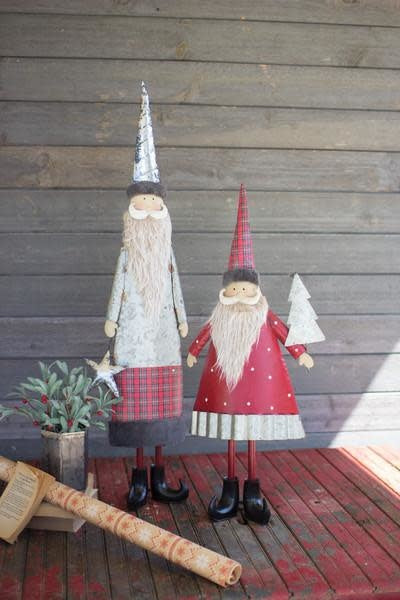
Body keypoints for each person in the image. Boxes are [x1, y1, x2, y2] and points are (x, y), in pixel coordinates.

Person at [187, 184, 314, 524]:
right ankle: (230, 489)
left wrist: (300, 353)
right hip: (227, 384)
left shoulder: (264, 313)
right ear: (226, 289)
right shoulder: (221, 315)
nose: (241, 293)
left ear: (255, 289)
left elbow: (283, 331)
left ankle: (253, 489)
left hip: (260, 384)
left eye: (246, 288)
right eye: (235, 288)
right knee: (231, 430)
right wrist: (193, 351)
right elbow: (205, 333)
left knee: (252, 431)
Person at [106, 83, 189, 509]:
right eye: (142, 203)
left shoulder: (166, 250)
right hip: (133, 334)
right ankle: (139, 475)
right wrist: (112, 318)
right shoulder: (128, 251)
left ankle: (159, 473)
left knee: (161, 403)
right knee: (136, 404)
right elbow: (119, 283)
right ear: (132, 207)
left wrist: (182, 318)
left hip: (163, 335)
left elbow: (175, 284)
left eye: (155, 202)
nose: (149, 208)